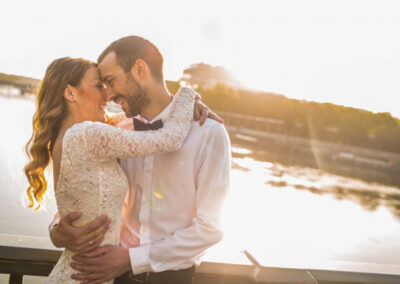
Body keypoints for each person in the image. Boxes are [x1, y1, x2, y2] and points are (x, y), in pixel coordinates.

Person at [49, 36, 231, 284]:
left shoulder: (208, 133)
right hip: (112, 276)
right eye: (102, 85)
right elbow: (84, 192)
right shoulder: (114, 131)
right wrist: (58, 231)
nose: (108, 95)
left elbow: (211, 228)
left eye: (110, 82)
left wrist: (132, 259)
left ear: (139, 69)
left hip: (171, 278)